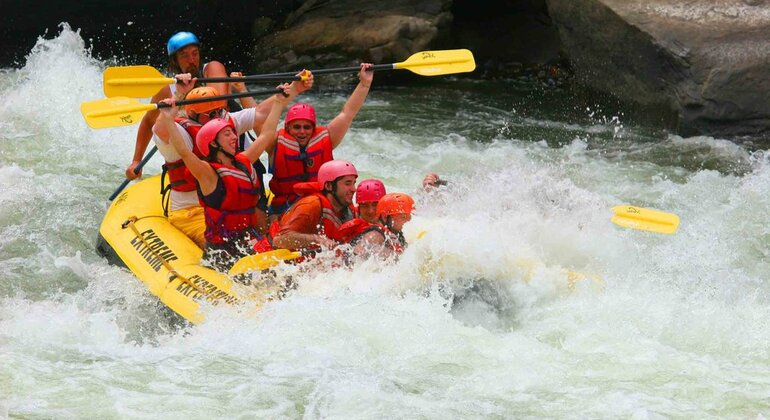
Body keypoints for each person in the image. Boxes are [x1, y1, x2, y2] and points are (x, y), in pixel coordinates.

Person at [150, 74, 313, 248]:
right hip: (191, 212)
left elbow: (264, 128)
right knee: (223, 245)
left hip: (231, 215)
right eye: (211, 114)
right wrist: (177, 97)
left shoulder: (235, 146)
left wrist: (290, 92)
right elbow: (165, 133)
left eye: (220, 111)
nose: (234, 136)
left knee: (265, 240)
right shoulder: (201, 164)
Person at [266, 63, 375, 217]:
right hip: (286, 209)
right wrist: (279, 100)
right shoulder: (274, 143)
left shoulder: (325, 138)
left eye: (307, 127)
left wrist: (364, 83)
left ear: (314, 128)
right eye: (297, 127)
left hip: (323, 206)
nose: (302, 132)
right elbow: (259, 121)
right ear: (287, 128)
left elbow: (348, 113)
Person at [125, 31, 231, 181]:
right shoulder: (169, 89)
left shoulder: (212, 69)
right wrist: (136, 161)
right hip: (196, 156)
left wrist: (184, 97)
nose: (192, 60)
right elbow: (149, 122)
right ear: (175, 61)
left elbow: (219, 104)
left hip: (227, 146)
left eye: (195, 53)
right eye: (185, 56)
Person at [255, 160, 359, 253]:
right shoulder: (311, 204)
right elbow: (280, 240)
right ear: (329, 186)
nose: (353, 189)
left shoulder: (348, 209)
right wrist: (317, 239)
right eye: (347, 184)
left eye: (354, 183)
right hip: (270, 253)